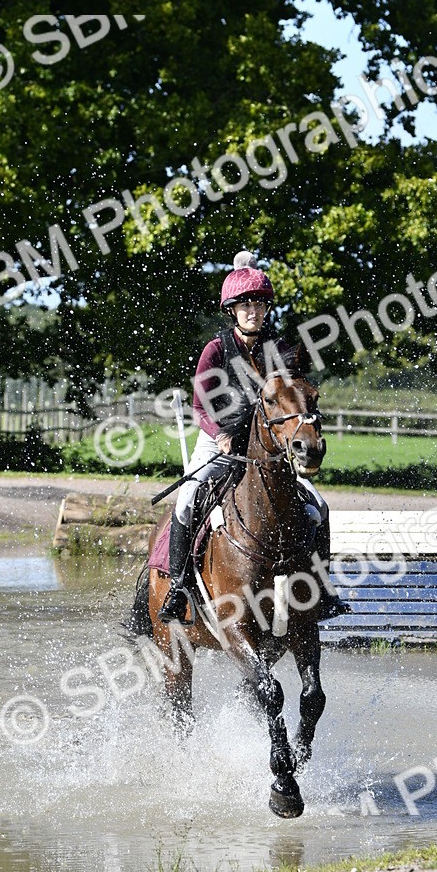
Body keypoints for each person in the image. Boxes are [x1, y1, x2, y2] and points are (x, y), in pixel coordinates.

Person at [158, 251, 348, 624]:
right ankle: (179, 589)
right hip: (219, 439)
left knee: (319, 506)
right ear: (232, 310)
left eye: (259, 305)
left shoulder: (278, 348)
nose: (253, 312)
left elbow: (293, 390)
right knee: (186, 502)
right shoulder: (216, 350)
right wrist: (220, 436)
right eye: (245, 305)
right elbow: (200, 407)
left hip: (266, 443)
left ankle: (322, 590)